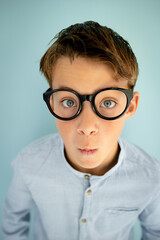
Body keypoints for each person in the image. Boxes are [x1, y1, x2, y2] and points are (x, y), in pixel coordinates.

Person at [1, 21, 160, 240]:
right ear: (52, 104)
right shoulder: (28, 164)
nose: (86, 127)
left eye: (107, 103)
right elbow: (12, 222)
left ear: (130, 106)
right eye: (68, 102)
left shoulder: (151, 176)